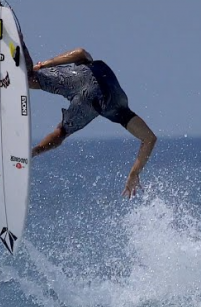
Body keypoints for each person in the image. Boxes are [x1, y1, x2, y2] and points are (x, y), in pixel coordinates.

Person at [25, 46, 157, 198]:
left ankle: (19, 47)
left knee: (30, 79)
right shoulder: (122, 111)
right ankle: (32, 153)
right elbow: (149, 139)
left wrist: (43, 65)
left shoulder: (95, 65)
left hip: (81, 75)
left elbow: (80, 52)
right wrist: (134, 173)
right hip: (94, 103)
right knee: (61, 132)